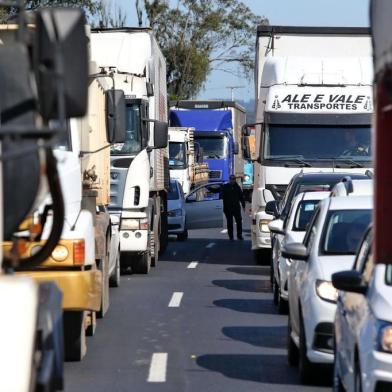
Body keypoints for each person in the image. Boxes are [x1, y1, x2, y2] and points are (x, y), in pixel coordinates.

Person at [221, 175, 245, 240]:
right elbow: (221, 196)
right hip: (228, 208)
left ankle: (239, 235)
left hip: (236, 208)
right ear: (229, 179)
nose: (232, 180)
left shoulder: (237, 187)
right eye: (231, 179)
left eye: (234, 179)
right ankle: (231, 236)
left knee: (239, 222)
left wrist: (243, 206)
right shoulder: (225, 187)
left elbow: (241, 197)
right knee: (229, 223)